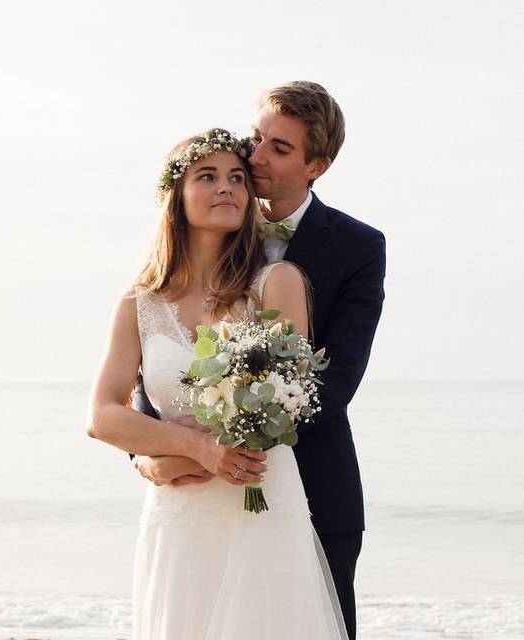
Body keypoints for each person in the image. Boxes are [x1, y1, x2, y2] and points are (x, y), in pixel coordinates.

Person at [134, 82, 386, 640]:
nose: (255, 157)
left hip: (312, 483)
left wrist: (239, 440)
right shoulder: (212, 230)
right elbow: (158, 350)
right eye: (257, 139)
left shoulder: (358, 247)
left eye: (280, 148)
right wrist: (151, 451)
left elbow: (336, 378)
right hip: (196, 487)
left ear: (317, 165)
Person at [87, 128, 349, 640]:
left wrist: (184, 455)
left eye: (236, 177)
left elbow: (290, 404)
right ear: (177, 197)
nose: (226, 186)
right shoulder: (139, 301)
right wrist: (186, 452)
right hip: (179, 511)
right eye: (207, 176)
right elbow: (102, 416)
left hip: (259, 499)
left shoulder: (276, 284)